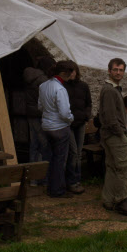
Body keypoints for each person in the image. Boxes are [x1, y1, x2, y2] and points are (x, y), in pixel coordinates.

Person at [98, 58, 127, 217]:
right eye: (115, 70)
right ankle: (121, 200)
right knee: (124, 168)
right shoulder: (109, 90)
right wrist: (120, 133)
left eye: (121, 70)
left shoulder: (114, 89)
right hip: (114, 135)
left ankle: (108, 200)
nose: (118, 73)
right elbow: (109, 117)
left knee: (113, 167)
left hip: (112, 134)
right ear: (109, 71)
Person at [38, 60, 76, 198]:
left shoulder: (43, 86)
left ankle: (48, 186)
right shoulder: (60, 89)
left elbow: (40, 106)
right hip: (59, 127)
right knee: (59, 161)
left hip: (46, 126)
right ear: (65, 73)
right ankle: (57, 190)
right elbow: (65, 112)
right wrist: (71, 118)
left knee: (49, 158)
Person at [24, 56, 55, 185]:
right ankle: (43, 177)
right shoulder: (43, 80)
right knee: (44, 146)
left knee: (34, 145)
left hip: (31, 114)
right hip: (40, 115)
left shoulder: (30, 77)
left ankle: (32, 179)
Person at [64, 63, 91, 195]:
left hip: (80, 122)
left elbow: (88, 103)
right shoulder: (63, 86)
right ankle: (71, 181)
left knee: (78, 153)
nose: (72, 73)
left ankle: (77, 180)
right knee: (73, 152)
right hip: (69, 123)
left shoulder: (83, 86)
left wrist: (86, 116)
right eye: (69, 71)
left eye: (73, 71)